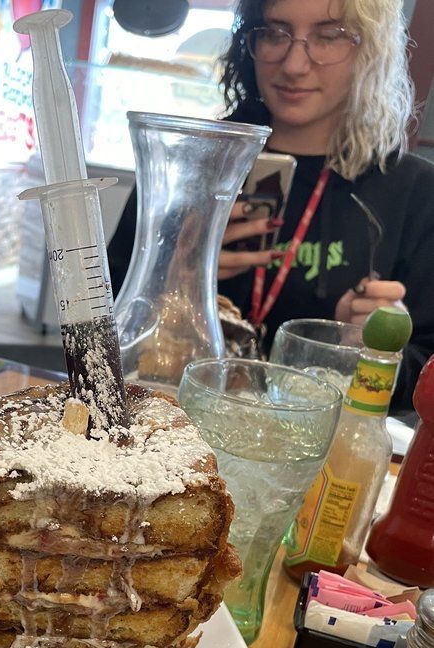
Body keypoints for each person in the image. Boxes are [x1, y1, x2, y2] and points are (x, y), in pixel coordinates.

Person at [107, 0, 434, 413]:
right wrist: (175, 276)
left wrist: (371, 349)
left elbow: (422, 380)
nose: (294, 65)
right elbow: (97, 323)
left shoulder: (416, 193)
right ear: (249, 41)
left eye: (329, 36)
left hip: (310, 451)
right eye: (275, 33)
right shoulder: (183, 163)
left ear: (372, 49)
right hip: (176, 427)